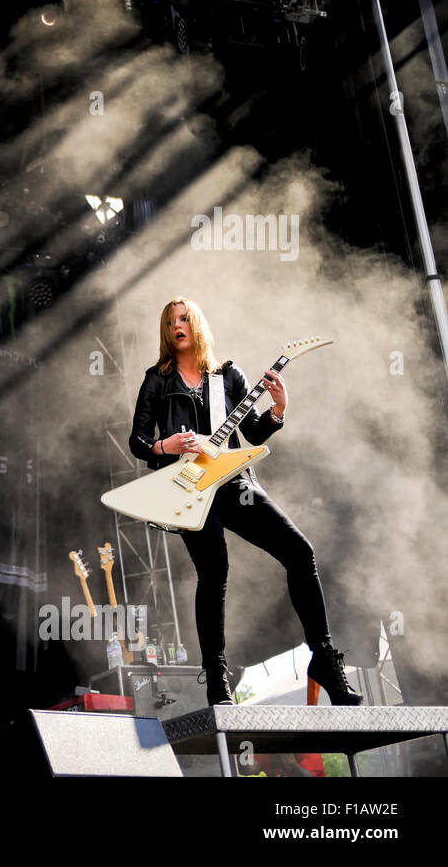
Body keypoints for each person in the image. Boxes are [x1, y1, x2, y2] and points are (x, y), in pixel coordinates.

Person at [127, 297, 361, 707]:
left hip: (236, 483)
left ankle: (323, 659)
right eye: (169, 322)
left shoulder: (228, 374)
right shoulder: (157, 380)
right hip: (190, 488)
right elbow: (139, 441)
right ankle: (217, 678)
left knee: (300, 552)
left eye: (183, 319)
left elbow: (252, 432)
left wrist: (280, 408)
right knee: (214, 572)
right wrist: (167, 444)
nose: (176, 326)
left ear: (197, 324)